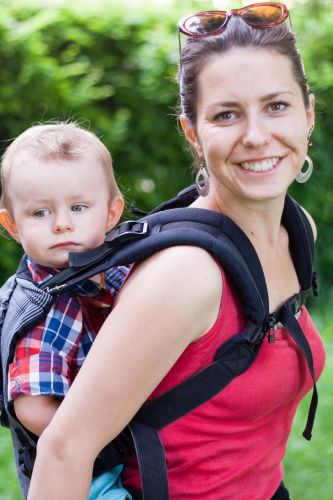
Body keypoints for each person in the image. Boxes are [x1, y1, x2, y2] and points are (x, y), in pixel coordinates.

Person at [27, 3, 326, 499]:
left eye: (277, 106)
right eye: (226, 114)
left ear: (308, 114)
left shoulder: (298, 232)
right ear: (192, 132)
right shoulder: (185, 275)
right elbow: (64, 450)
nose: (256, 136)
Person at [0, 122, 131, 498]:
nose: (61, 224)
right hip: (88, 473)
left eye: (77, 207)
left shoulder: (114, 266)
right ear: (11, 224)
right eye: (40, 213)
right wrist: (108, 438)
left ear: (111, 212)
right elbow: (34, 407)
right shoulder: (49, 304)